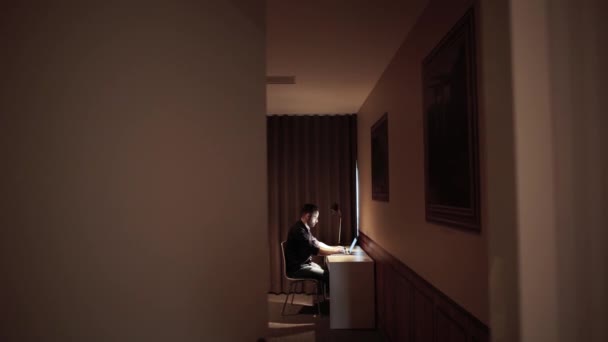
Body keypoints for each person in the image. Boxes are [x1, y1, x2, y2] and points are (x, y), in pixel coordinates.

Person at [284, 203, 347, 292]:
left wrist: (335, 248)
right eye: (315, 217)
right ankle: (335, 303)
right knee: (329, 275)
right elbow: (317, 251)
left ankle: (331, 301)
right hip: (297, 268)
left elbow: (317, 243)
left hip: (305, 264)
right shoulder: (299, 231)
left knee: (327, 271)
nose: (317, 220)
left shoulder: (304, 227)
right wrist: (336, 251)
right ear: (307, 216)